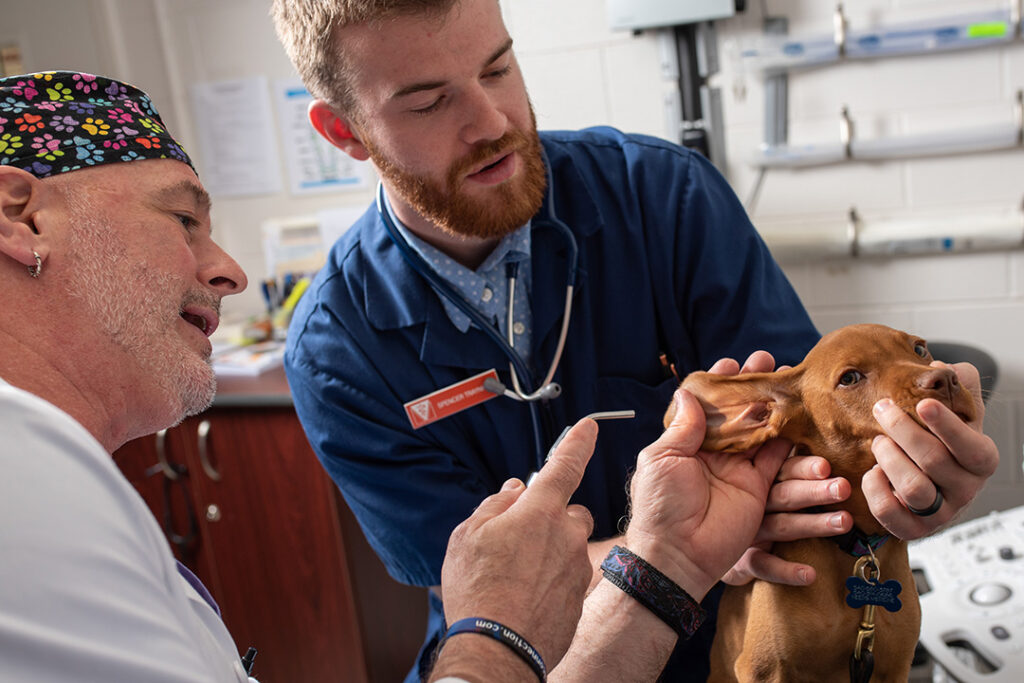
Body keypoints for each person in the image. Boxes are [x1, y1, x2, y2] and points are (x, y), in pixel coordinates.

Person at [271, 0, 1000, 680]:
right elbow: (484, 581)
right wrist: (679, 550)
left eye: (497, 68)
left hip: (727, 650)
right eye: (430, 102)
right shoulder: (336, 350)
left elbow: (825, 439)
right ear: (345, 131)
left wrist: (912, 477)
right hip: (517, 661)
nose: (492, 121)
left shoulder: (665, 197)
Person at [0, 70, 604, 682]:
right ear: (19, 218)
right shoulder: (17, 473)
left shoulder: (54, 485)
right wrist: (499, 637)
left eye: (497, 71)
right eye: (182, 219)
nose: (231, 273)